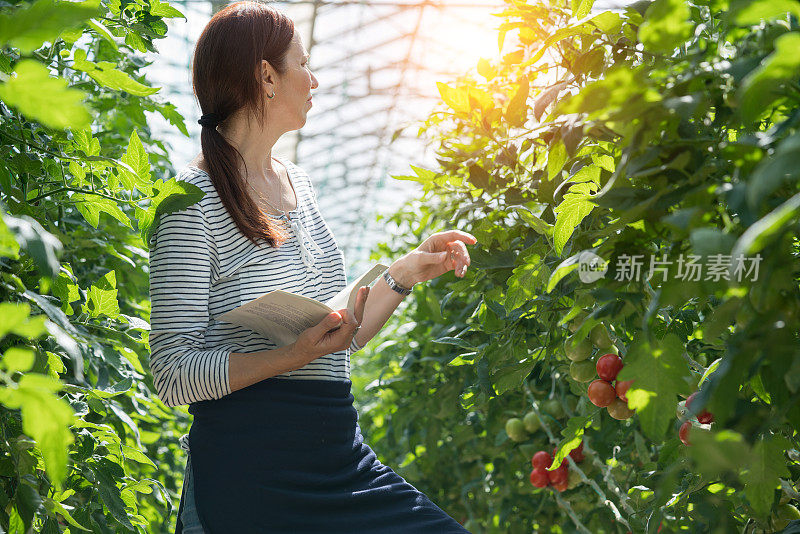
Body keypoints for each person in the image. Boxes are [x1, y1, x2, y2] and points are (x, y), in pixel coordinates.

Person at [147, 2, 477, 532]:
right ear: (266, 77)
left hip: (337, 454)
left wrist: (408, 270)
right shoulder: (191, 202)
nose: (316, 78)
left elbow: (337, 334)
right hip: (251, 472)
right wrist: (288, 356)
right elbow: (171, 373)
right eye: (303, 63)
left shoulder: (298, 183)